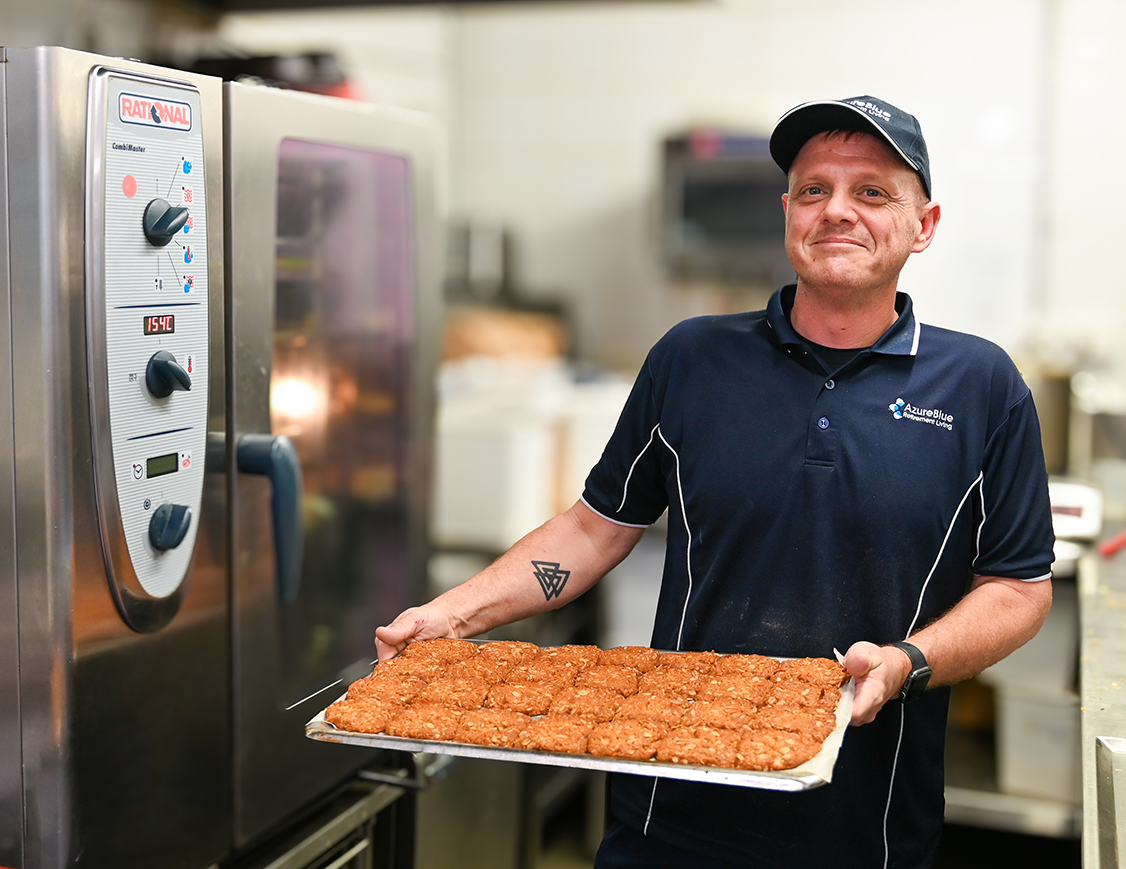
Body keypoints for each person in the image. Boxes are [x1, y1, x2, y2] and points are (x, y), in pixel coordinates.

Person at [376, 95, 1055, 868]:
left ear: (923, 225)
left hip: (866, 825)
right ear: (788, 214)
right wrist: (452, 613)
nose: (837, 209)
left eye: (871, 191)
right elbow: (595, 528)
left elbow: (1018, 589)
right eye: (814, 189)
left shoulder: (981, 385)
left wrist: (908, 661)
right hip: (668, 816)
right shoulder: (691, 359)